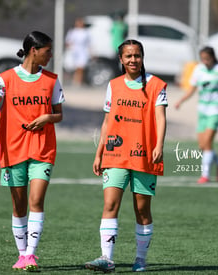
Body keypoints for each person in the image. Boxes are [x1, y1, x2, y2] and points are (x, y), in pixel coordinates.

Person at [0, 31, 64, 272]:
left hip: (42, 148)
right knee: (19, 205)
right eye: (47, 51)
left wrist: (46, 117)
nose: (50, 55)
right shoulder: (6, 78)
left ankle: (30, 255)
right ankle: (21, 254)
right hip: (13, 149)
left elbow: (59, 114)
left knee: (36, 200)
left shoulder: (52, 80)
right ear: (34, 50)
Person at [85, 39, 168, 273]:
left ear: (142, 57)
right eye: (128, 56)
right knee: (110, 204)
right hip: (116, 153)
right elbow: (108, 121)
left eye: (137, 55)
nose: (133, 60)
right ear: (121, 59)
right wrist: (99, 152)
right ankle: (106, 258)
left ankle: (140, 258)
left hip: (144, 155)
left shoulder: (156, 85)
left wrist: (159, 145)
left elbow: (160, 118)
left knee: (142, 210)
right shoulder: (113, 85)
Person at [174, 46, 218, 184]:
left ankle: (205, 175)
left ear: (213, 57)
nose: (205, 62)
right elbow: (192, 89)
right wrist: (181, 101)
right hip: (202, 111)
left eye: (207, 59)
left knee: (207, 142)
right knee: (202, 145)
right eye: (202, 59)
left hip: (216, 110)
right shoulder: (198, 70)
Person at [65, 17, 91, 86]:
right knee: (76, 67)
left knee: (81, 67)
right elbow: (68, 41)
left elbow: (89, 43)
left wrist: (91, 52)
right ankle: (76, 80)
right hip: (74, 51)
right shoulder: (72, 31)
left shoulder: (86, 32)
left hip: (83, 51)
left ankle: (78, 81)